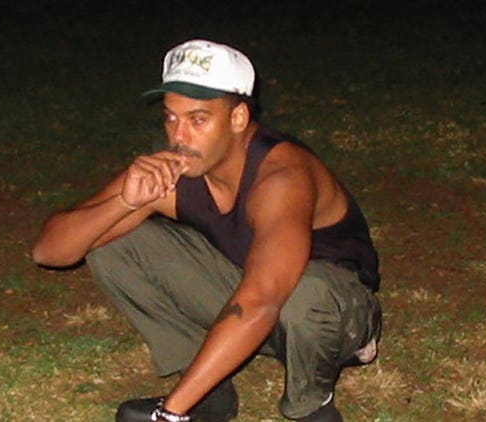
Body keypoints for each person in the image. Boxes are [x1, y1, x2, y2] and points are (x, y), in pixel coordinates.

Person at [32, 39, 382, 422]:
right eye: (171, 118)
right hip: (252, 300)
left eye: (198, 120)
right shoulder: (171, 168)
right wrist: (125, 204)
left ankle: (311, 405)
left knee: (306, 295)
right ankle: (208, 396)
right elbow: (49, 252)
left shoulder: (281, 176)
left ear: (238, 118)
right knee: (114, 238)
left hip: (333, 314)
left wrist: (170, 414)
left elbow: (263, 297)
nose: (179, 137)